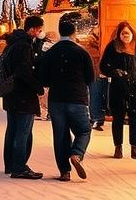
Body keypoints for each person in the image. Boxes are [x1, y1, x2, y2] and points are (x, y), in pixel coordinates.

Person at [36, 16, 94, 181]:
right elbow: (90, 78)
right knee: (84, 130)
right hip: (77, 98)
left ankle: (64, 172)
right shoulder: (82, 52)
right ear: (74, 33)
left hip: (57, 99)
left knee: (60, 135)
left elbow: (44, 79)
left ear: (60, 32)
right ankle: (77, 154)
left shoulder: (50, 53)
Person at [100, 20, 136, 159]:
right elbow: (104, 66)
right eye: (123, 33)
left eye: (127, 32)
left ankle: (134, 147)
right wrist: (114, 72)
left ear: (132, 33)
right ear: (119, 34)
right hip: (117, 87)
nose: (125, 35)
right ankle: (118, 147)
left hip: (134, 87)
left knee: (135, 117)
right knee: (118, 118)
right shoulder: (113, 46)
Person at [4, 16, 45, 179]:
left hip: (10, 94)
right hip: (23, 95)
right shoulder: (24, 46)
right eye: (40, 30)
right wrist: (38, 88)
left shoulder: (12, 43)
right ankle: (19, 166)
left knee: (13, 130)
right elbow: (24, 72)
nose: (40, 33)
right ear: (33, 29)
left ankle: (11, 164)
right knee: (23, 132)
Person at [84, 29, 108, 132]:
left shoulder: (107, 46)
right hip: (95, 75)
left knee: (104, 96)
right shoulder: (89, 49)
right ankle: (96, 118)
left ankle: (100, 117)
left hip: (105, 75)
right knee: (95, 96)